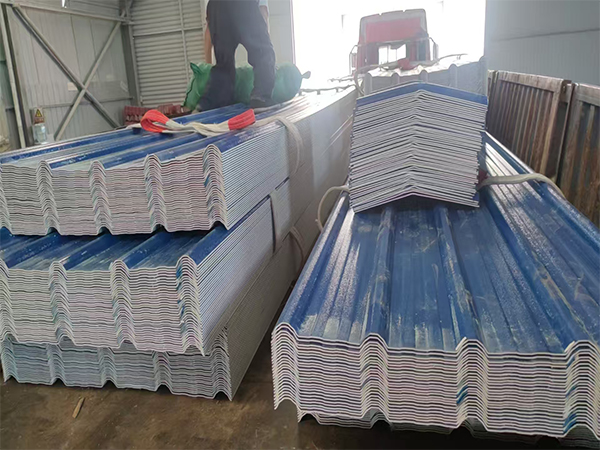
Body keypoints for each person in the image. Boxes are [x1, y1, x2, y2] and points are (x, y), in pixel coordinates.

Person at [200, 0, 275, 110]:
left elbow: (209, 29)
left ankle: (211, 102)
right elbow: (263, 12)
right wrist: (264, 39)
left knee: (223, 64)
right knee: (263, 53)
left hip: (216, 5)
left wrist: (208, 63)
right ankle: (261, 96)